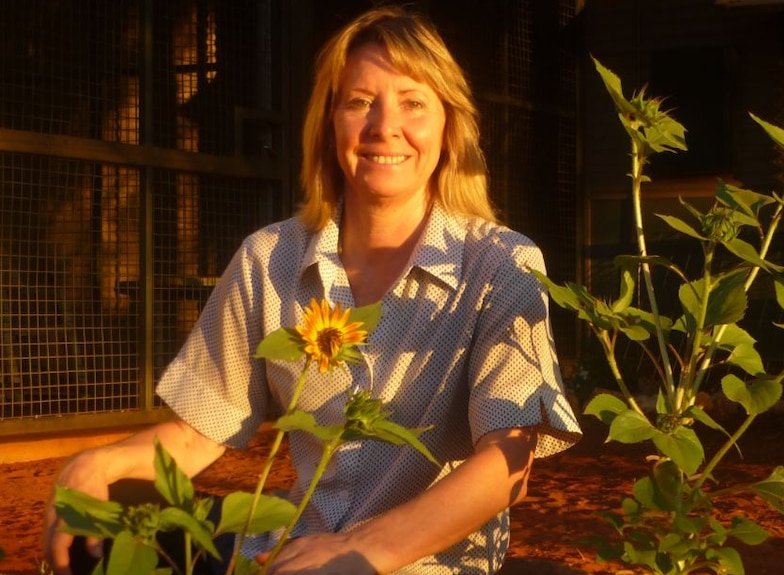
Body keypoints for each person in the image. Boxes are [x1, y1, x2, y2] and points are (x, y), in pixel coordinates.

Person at [43, 6, 581, 575]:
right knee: (104, 514)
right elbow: (199, 431)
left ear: (448, 127)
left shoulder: (502, 264)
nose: (383, 126)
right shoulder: (268, 259)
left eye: (413, 102)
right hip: (296, 552)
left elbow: (507, 462)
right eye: (359, 101)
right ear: (329, 123)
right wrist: (93, 464)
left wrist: (363, 551)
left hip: (427, 564)